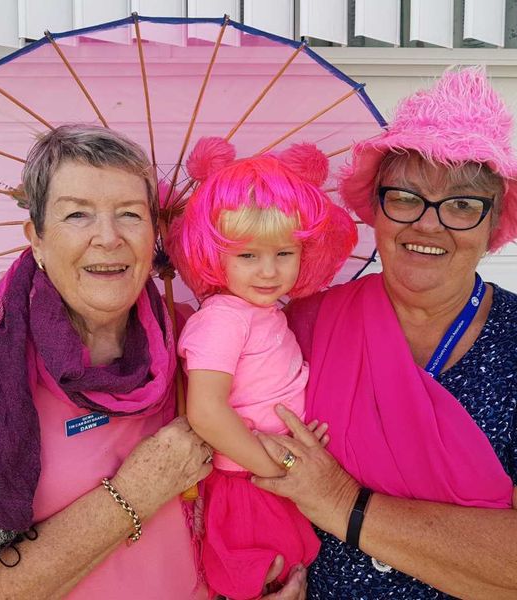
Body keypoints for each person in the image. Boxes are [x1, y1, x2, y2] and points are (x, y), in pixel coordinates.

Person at [251, 68, 517, 599]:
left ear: (493, 227)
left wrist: (342, 503)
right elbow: (243, 476)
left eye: (463, 205)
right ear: (376, 209)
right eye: (405, 197)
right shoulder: (304, 323)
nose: (429, 224)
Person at [0, 124, 307, 599]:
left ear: (155, 234)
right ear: (37, 236)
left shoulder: (190, 336)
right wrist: (136, 491)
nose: (108, 237)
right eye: (77, 215)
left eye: (130, 215)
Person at [167, 137, 356, 600]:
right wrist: (279, 464)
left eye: (283, 254)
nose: (269, 271)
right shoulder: (222, 320)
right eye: (247, 256)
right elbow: (207, 412)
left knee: (289, 572)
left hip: (270, 475)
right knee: (261, 577)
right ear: (214, 255)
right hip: (248, 484)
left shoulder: (261, 312)